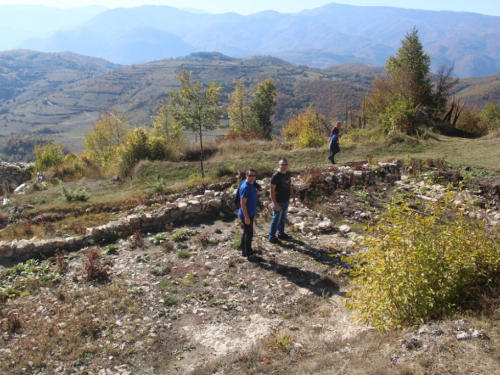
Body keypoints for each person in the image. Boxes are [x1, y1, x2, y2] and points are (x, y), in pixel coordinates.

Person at [268, 158, 296, 244]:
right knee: (276, 219)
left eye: (285, 164)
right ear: (278, 165)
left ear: (288, 166)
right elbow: (272, 191)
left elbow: (290, 186)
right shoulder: (276, 176)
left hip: (286, 200)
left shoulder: (288, 173)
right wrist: (275, 204)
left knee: (283, 218)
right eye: (282, 164)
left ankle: (281, 233)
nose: (284, 166)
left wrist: (293, 198)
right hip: (278, 201)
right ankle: (271, 236)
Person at [238, 169, 259, 257]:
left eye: (254, 176)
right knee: (249, 234)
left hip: (250, 213)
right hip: (246, 214)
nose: (252, 178)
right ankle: (248, 252)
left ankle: (244, 250)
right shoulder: (246, 187)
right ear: (246, 175)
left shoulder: (252, 184)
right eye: (250, 176)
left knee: (246, 232)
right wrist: (246, 217)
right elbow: (242, 203)